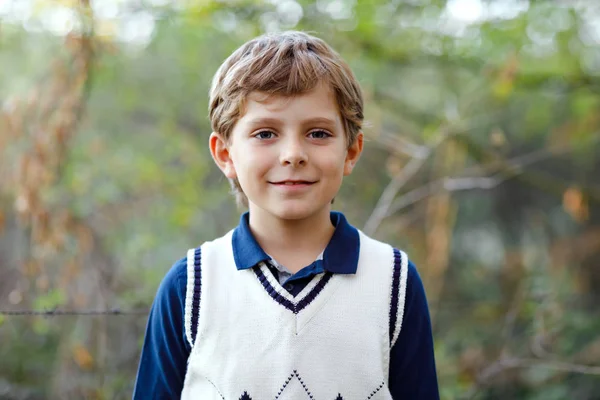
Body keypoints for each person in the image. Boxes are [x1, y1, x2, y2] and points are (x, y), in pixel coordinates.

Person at [133, 31, 439, 399]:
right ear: (226, 154)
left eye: (318, 133)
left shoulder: (394, 281)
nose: (293, 154)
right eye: (265, 133)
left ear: (352, 151)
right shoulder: (191, 286)